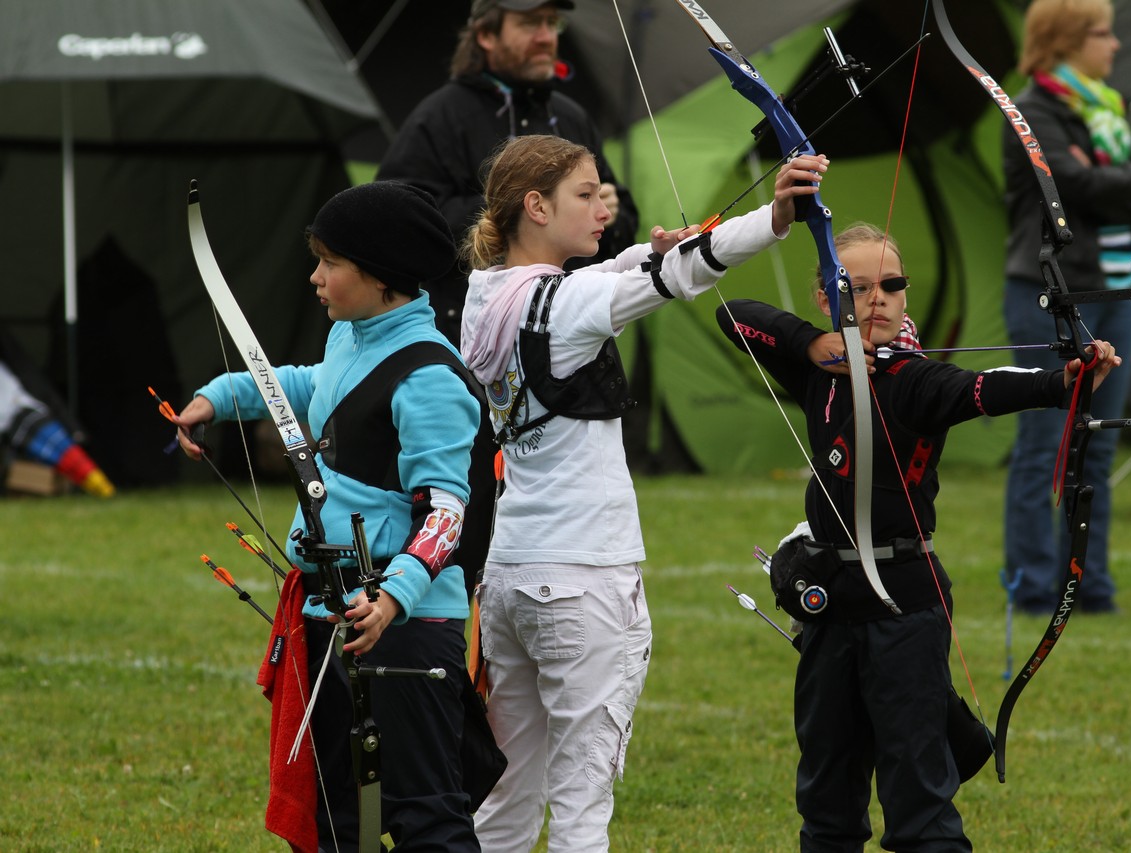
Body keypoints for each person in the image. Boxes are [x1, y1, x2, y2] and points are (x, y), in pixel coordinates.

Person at [458, 133, 823, 851]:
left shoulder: (485, 295)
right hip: (583, 580)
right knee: (581, 806)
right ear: (536, 206)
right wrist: (775, 216)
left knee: (505, 803)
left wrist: (654, 251)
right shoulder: (568, 303)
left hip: (509, 578)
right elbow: (679, 276)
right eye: (586, 195)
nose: (605, 206)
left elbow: (618, 275)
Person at [714, 223, 1122, 851]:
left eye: (891, 285)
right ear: (827, 297)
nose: (877, 298)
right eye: (856, 286)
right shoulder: (819, 371)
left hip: (903, 608)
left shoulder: (917, 380)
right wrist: (817, 345)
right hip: (830, 608)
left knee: (919, 807)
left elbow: (983, 387)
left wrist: (1064, 380)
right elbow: (733, 315)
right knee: (826, 800)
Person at [172, 182, 482, 851]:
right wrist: (220, 396)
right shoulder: (353, 334)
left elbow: (448, 511)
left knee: (425, 814)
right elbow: (314, 388)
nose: (314, 276)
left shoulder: (429, 374)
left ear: (381, 275)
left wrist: (393, 594)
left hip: (403, 627)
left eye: (329, 262)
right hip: (328, 611)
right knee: (339, 815)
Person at [377, 0, 639, 594]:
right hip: (468, 355)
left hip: (563, 361)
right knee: (460, 513)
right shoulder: (440, 116)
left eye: (553, 24)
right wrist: (514, 216)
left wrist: (613, 213)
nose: (547, 36)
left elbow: (613, 223)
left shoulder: (570, 114)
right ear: (487, 35)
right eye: (531, 24)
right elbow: (398, 213)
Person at [1001, 0, 1131, 615]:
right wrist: (1110, 177)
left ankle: (1088, 583)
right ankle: (1033, 583)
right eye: (1102, 33)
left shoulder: (1106, 109)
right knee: (1045, 443)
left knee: (1096, 442)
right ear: (1067, 42)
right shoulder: (1030, 111)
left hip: (1119, 292)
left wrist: (1106, 175)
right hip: (1052, 295)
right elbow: (1078, 190)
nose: (1114, 45)